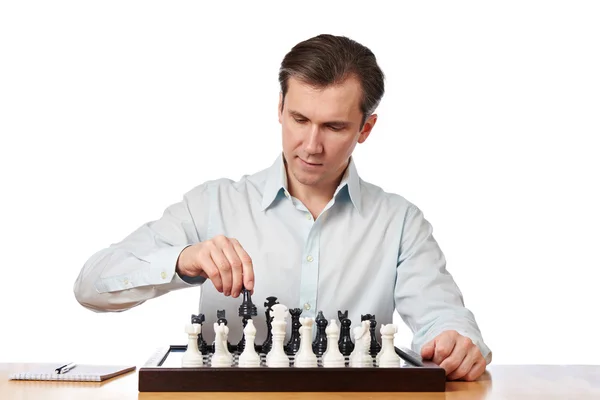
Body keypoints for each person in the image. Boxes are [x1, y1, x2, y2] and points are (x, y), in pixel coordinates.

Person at [74, 34, 491, 381]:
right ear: (279, 109)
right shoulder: (212, 204)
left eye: (334, 126)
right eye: (299, 119)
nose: (311, 146)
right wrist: (183, 259)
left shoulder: (400, 222)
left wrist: (455, 341)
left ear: (365, 129)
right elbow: (91, 286)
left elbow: (443, 317)